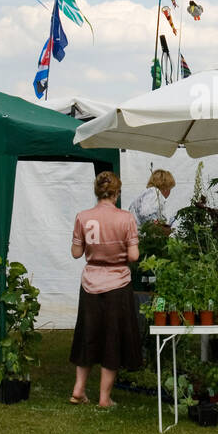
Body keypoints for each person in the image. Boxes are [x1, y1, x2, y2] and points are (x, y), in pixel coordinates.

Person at [69, 171, 142, 409]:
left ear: (96, 191)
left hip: (90, 281)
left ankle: (78, 389)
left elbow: (76, 253)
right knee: (112, 337)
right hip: (117, 283)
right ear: (117, 192)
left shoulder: (83, 217)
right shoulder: (126, 218)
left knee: (87, 335)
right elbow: (133, 255)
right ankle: (104, 398)